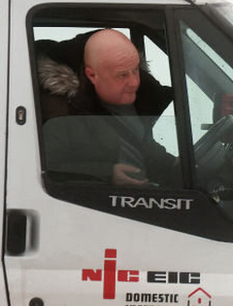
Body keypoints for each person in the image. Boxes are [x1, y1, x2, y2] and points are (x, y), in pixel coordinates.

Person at [39, 28, 179, 187]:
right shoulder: (61, 115)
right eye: (121, 75)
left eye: (135, 71)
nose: (134, 82)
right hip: (95, 204)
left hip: (136, 197)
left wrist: (173, 164)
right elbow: (46, 168)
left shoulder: (127, 103)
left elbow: (140, 145)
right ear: (91, 75)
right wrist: (107, 174)